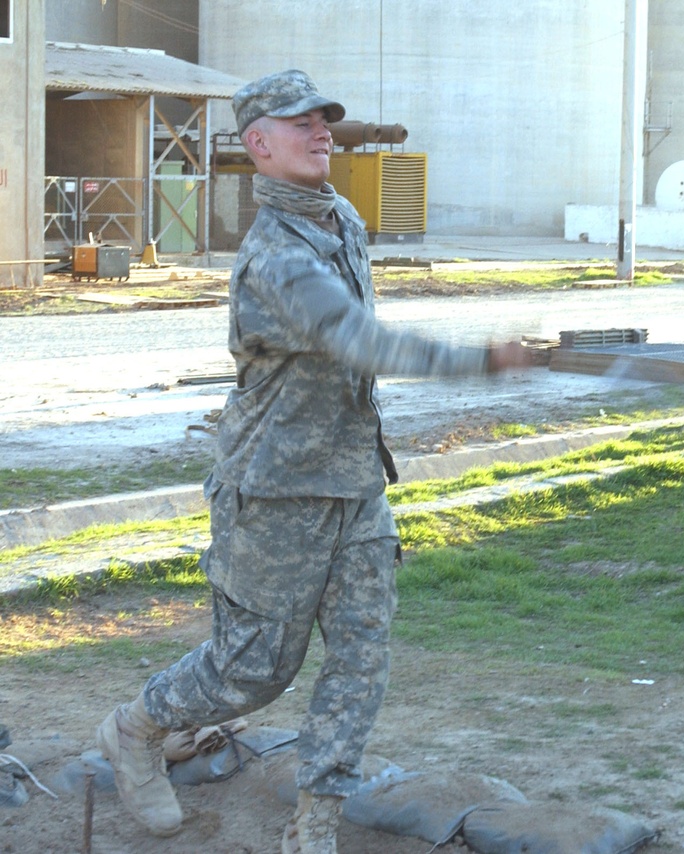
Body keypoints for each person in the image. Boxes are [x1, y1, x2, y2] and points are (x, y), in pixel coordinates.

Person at [96, 69, 531, 854]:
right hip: (275, 491)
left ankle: (315, 822)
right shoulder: (273, 259)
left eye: (325, 120)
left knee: (362, 656)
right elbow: (359, 340)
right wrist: (483, 360)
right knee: (252, 673)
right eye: (302, 124)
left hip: (355, 484)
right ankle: (138, 727)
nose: (323, 131)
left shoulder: (343, 220)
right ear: (259, 145)